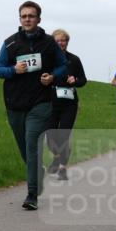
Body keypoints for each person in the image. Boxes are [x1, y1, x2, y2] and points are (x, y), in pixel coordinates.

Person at [0, 1, 68, 210]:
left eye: (31, 16)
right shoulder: (10, 43)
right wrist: (13, 70)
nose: (27, 19)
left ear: (39, 19)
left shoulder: (48, 43)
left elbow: (63, 65)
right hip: (15, 102)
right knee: (24, 148)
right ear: (20, 19)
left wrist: (52, 76)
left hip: (40, 102)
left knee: (32, 144)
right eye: (24, 16)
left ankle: (32, 195)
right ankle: (37, 172)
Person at [46, 29, 87, 181]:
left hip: (69, 103)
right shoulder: (48, 60)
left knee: (63, 135)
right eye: (58, 40)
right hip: (51, 101)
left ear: (67, 42)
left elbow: (83, 80)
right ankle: (57, 158)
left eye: (63, 40)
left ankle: (62, 168)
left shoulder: (74, 59)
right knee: (50, 137)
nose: (61, 43)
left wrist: (75, 81)